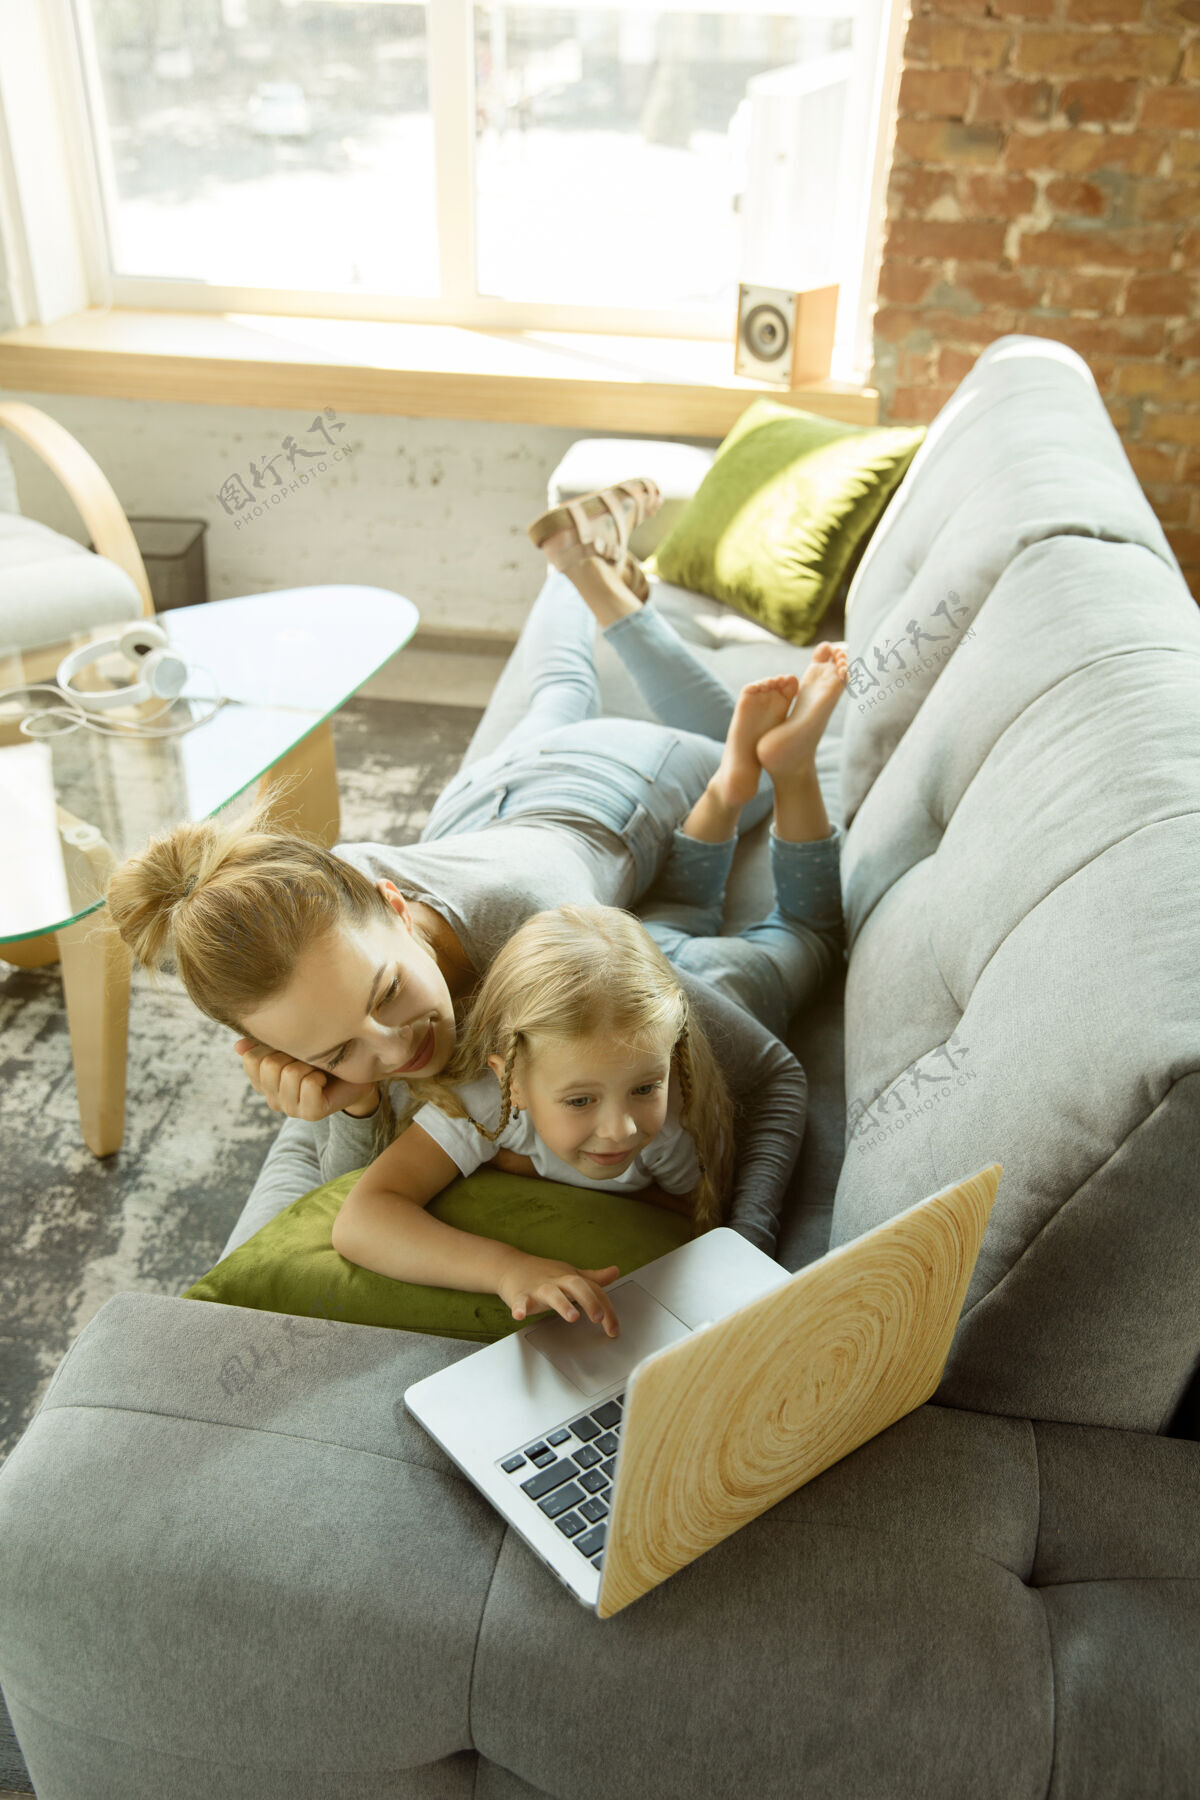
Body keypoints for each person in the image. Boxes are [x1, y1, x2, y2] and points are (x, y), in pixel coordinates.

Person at [105, 479, 846, 1260]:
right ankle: (575, 559)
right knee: (557, 689)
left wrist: (739, 1261)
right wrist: (350, 1107)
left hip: (602, 793)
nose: (390, 1055)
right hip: (479, 808)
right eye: (335, 1054)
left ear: (393, 907)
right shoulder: (315, 930)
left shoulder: (538, 941)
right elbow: (353, 1206)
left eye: (389, 994)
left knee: (756, 775)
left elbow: (769, 1078)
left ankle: (602, 586)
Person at [329, 658, 849, 1336]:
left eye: (643, 1090)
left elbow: (688, 1210)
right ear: (507, 1079)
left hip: (727, 983)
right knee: (676, 908)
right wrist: (509, 1267)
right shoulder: (485, 1108)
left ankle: (792, 770)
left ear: (672, 1065)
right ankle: (731, 781)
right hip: (631, 966)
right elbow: (362, 1220)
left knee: (810, 934)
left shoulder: (667, 1123)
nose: (622, 1130)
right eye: (580, 1101)